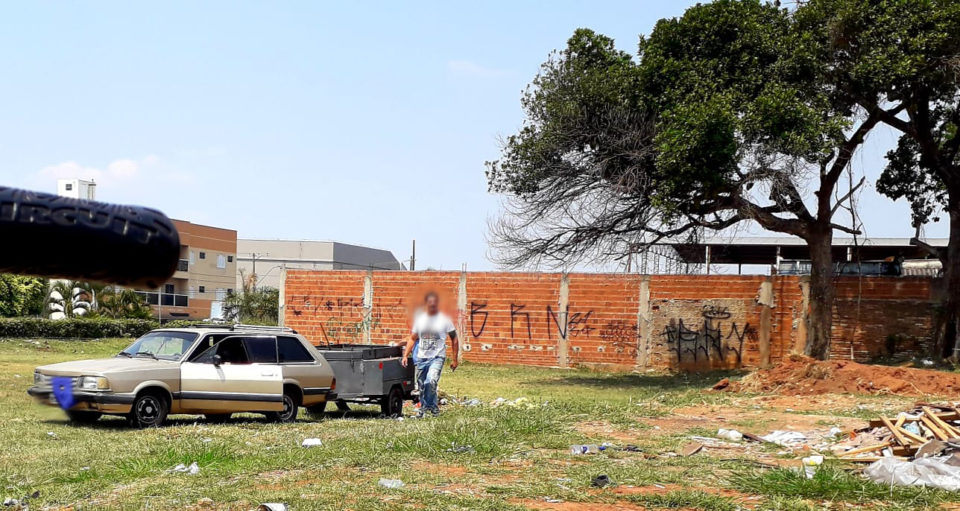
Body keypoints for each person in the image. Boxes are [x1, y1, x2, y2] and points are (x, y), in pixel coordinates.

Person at [402, 291, 458, 417]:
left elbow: (454, 338)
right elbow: (412, 338)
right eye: (429, 304)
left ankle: (430, 407)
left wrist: (455, 359)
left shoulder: (445, 320)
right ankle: (428, 408)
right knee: (422, 386)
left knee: (430, 381)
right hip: (422, 358)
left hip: (437, 357)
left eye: (434, 304)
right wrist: (406, 355)